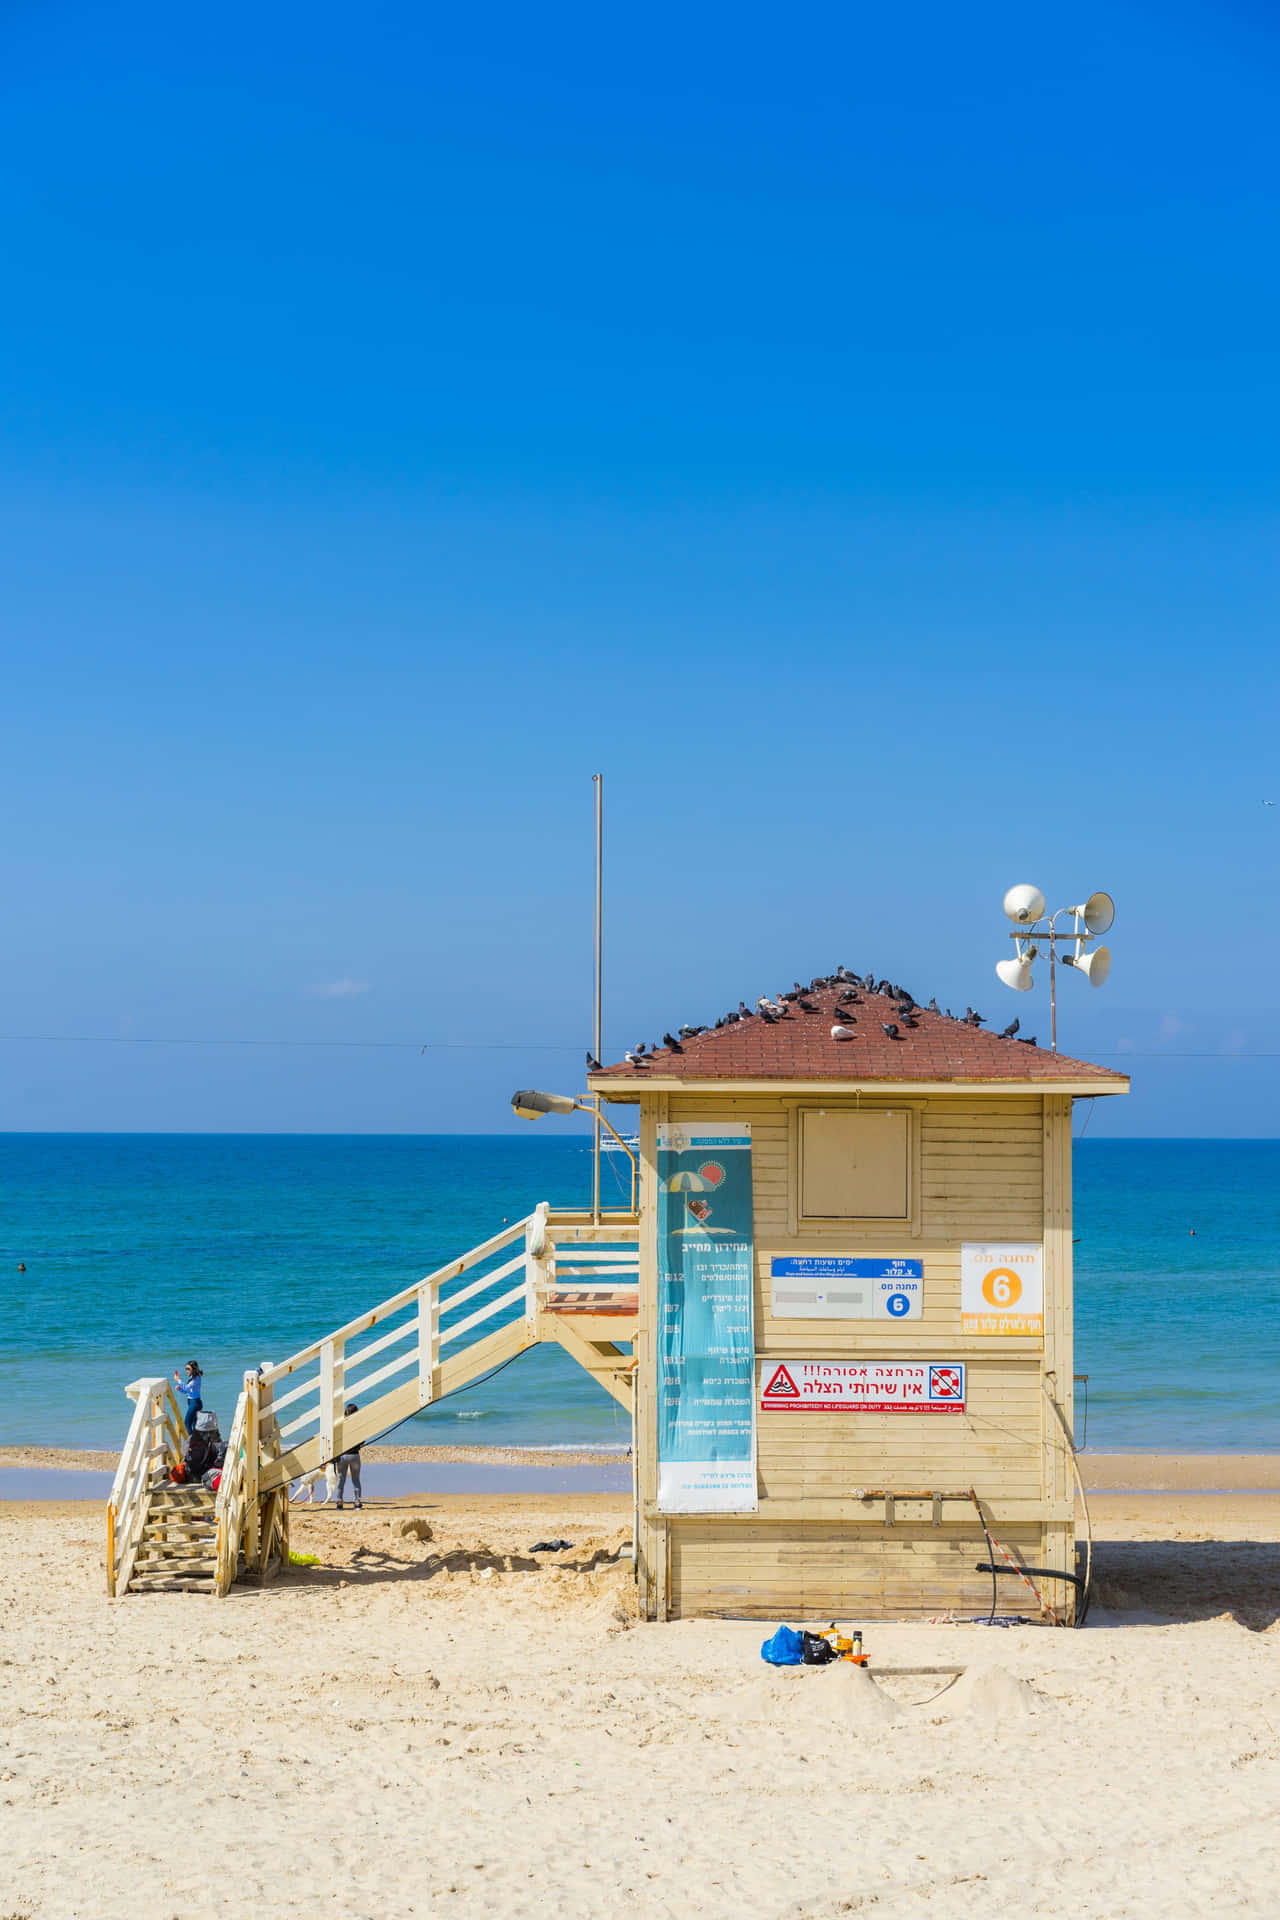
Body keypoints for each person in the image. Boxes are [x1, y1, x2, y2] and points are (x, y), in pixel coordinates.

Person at [172, 1409, 221, 1484]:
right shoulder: (208, 1438)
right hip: (202, 1473)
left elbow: (183, 1451)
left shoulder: (193, 1438)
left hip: (193, 1474)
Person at [335, 1400, 363, 1511]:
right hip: (354, 1456)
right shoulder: (358, 1425)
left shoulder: (341, 1425)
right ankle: (357, 1502)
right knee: (356, 1480)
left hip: (343, 1456)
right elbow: (362, 1440)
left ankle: (339, 1502)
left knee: (341, 1480)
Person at [174, 1360, 203, 1435]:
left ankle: (191, 1444)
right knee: (194, 1425)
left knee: (186, 1424)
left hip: (195, 1403)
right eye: (186, 1369)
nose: (186, 1371)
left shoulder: (196, 1379)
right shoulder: (192, 1377)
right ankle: (196, 1443)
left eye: (188, 1369)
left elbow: (187, 1387)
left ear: (193, 1369)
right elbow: (188, 1391)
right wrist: (180, 1389)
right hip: (192, 1402)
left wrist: (178, 1380)